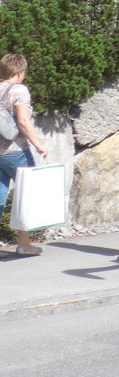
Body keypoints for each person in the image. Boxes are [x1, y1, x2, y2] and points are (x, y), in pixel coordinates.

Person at [0, 53, 50, 256]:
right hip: (15, 151)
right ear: (20, 72)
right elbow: (23, 121)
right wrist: (38, 145)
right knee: (28, 194)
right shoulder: (19, 90)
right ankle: (24, 243)